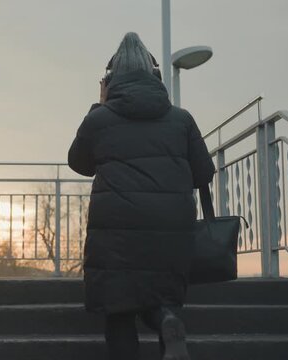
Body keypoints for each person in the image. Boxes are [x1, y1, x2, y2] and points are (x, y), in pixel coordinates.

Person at [67, 32, 215, 360]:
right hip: (170, 229)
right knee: (160, 299)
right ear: (156, 77)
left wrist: (99, 106)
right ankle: (168, 321)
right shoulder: (181, 119)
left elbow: (79, 163)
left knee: (119, 310)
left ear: (110, 81)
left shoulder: (100, 119)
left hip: (116, 231)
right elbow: (204, 173)